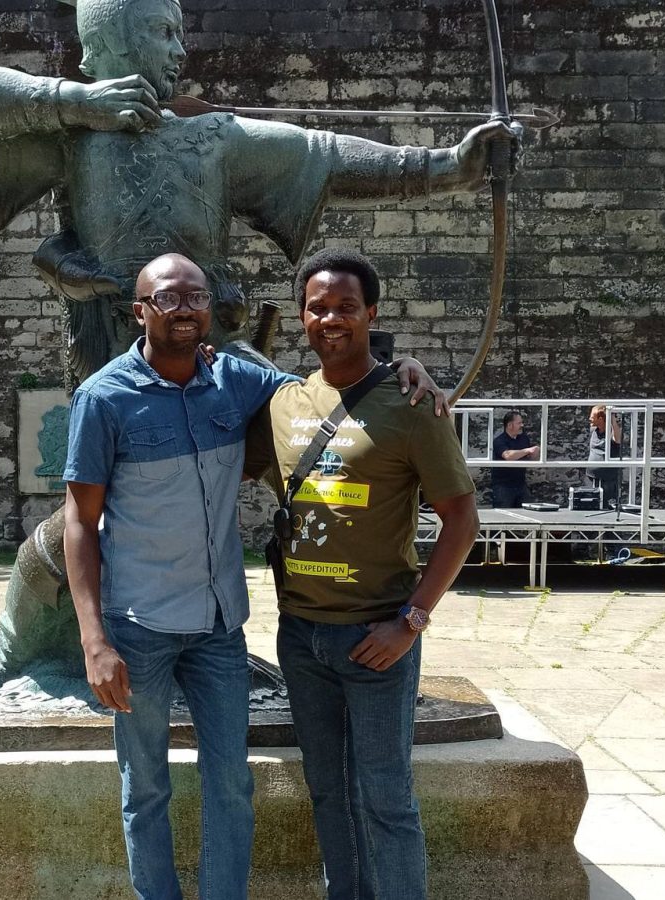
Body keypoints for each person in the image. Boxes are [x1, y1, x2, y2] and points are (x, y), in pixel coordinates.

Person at [0, 0, 522, 706]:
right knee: (89, 520)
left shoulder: (214, 137)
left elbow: (329, 157)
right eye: (157, 30)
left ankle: (341, 635)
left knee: (325, 454)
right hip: (119, 369)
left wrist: (453, 165)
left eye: (179, 32)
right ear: (105, 41)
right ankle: (13, 649)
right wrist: (74, 103)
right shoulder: (72, 130)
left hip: (222, 365)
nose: (176, 48)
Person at [61, 252, 444, 900]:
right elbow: (79, 523)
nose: (184, 308)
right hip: (139, 626)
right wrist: (94, 640)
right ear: (139, 311)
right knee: (145, 784)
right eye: (168, 298)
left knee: (232, 784)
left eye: (195, 296)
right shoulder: (102, 399)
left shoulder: (238, 381)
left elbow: (328, 393)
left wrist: (402, 369)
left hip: (217, 629)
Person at [244, 249, 480, 900]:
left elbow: (461, 521)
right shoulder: (284, 403)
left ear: (371, 314)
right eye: (318, 307)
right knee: (327, 793)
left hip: (378, 638)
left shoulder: (410, 402)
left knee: (386, 798)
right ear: (302, 317)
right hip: (302, 638)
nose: (331, 318)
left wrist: (413, 621)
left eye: (346, 307)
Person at [491, 410, 539, 507]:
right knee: (503, 514)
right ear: (509, 425)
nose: (522, 425)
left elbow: (529, 457)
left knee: (528, 512)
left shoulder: (524, 438)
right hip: (503, 486)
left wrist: (535, 452)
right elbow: (508, 456)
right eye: (519, 423)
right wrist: (527, 450)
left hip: (520, 484)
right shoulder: (499, 441)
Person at [587, 404, 623, 507]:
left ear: (601, 418)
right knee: (593, 504)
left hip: (607, 479)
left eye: (592, 416)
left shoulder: (612, 433)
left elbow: (617, 440)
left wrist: (611, 417)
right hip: (592, 477)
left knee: (607, 506)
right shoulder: (594, 430)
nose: (590, 419)